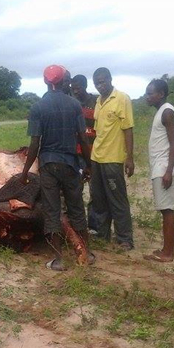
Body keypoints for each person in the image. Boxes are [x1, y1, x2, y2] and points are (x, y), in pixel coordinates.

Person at [21, 65, 93, 271]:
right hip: (71, 163)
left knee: (52, 210)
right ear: (64, 81)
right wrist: (88, 165)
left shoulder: (38, 108)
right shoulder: (74, 105)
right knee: (77, 208)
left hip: (49, 165)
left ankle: (59, 259)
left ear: (45, 81)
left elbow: (35, 144)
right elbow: (83, 139)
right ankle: (85, 254)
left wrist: (25, 172)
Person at [90, 67, 134, 250]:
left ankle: (125, 238)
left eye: (102, 81)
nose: (100, 86)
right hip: (96, 158)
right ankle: (102, 234)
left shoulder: (122, 99)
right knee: (98, 199)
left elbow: (128, 129)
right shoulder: (98, 101)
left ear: (110, 79)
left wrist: (129, 158)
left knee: (117, 199)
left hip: (113, 159)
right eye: (97, 83)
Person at [143, 79, 174, 262]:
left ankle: (166, 253)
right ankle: (171, 249)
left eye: (151, 93)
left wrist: (168, 171)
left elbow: (173, 143)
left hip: (165, 167)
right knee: (169, 210)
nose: (147, 96)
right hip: (163, 166)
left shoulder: (166, 112)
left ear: (161, 94)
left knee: (167, 210)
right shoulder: (162, 111)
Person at [72, 74, 100, 232]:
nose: (76, 91)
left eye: (78, 88)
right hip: (76, 153)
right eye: (73, 89)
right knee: (76, 190)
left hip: (94, 152)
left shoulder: (96, 102)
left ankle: (94, 225)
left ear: (85, 86)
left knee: (95, 191)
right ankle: (78, 225)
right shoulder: (71, 103)